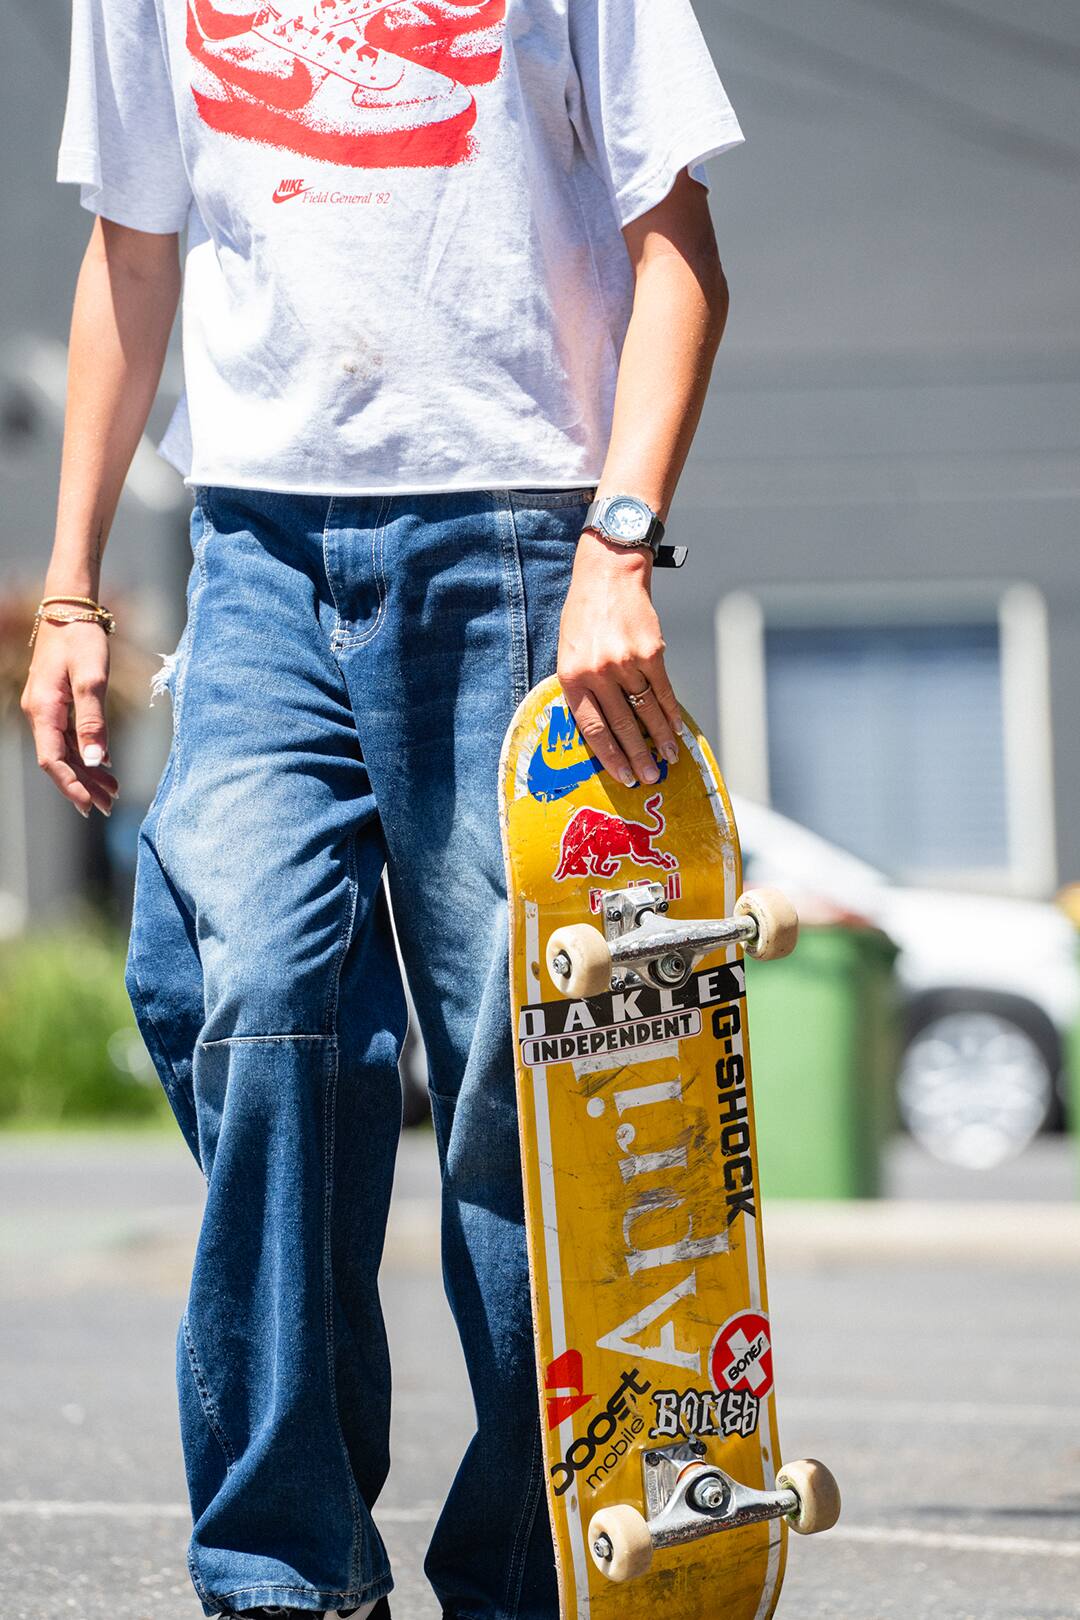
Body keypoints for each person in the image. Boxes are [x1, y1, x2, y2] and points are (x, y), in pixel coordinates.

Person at [21, 2, 743, 1616]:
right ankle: (286, 1571)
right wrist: (71, 590)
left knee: (522, 1061)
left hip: (512, 534)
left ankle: (532, 1562)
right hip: (257, 550)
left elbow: (676, 242)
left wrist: (617, 547)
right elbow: (135, 251)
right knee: (255, 996)